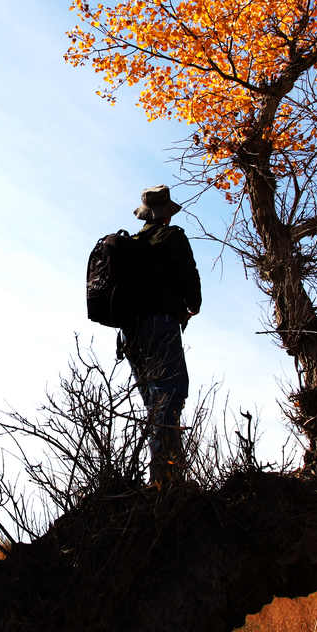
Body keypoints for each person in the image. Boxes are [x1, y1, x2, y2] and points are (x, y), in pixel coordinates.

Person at [119, 185, 201, 485]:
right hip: (159, 326)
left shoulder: (132, 243)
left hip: (129, 335)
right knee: (170, 396)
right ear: (165, 213)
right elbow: (191, 280)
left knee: (154, 404)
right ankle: (167, 478)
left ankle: (163, 476)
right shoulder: (172, 236)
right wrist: (192, 307)